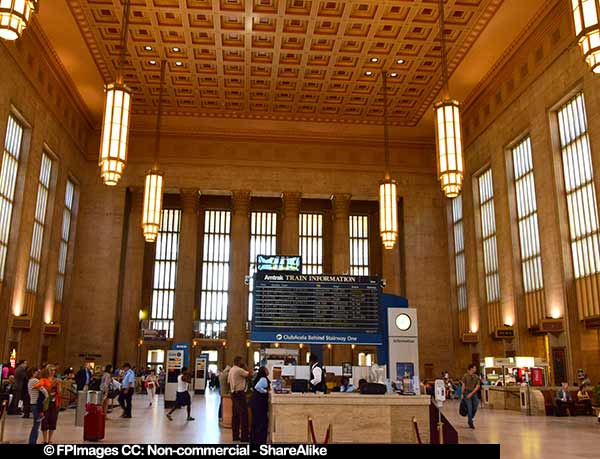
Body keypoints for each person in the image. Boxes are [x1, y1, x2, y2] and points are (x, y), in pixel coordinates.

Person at [228, 356, 252, 443]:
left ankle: (235, 436)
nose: (243, 363)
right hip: (240, 394)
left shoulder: (231, 370)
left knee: (235, 416)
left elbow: (228, 381)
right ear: (239, 362)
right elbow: (250, 374)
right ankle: (244, 437)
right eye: (242, 361)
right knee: (244, 415)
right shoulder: (239, 369)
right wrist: (245, 366)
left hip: (233, 394)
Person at [36, 365, 62, 444]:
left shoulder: (57, 380)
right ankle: (44, 439)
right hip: (45, 402)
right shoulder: (43, 380)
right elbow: (45, 391)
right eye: (51, 370)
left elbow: (59, 392)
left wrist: (59, 385)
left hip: (54, 402)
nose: (52, 372)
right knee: (45, 419)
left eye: (54, 370)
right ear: (47, 371)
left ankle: (50, 438)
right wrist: (52, 384)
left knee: (53, 419)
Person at [27, 367, 48, 444]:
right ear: (33, 372)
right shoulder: (34, 380)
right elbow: (42, 389)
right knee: (36, 425)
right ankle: (32, 441)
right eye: (36, 372)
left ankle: (33, 441)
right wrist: (47, 396)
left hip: (33, 404)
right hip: (36, 404)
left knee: (36, 424)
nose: (38, 373)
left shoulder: (30, 381)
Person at [250, 366, 270, 444]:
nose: (268, 371)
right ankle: (259, 440)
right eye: (267, 369)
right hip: (260, 403)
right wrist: (265, 391)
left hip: (255, 402)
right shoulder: (264, 379)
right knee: (261, 422)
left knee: (255, 421)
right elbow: (257, 387)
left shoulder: (259, 378)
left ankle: (254, 439)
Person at [461, 364, 480, 429]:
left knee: (476, 404)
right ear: (471, 369)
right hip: (466, 392)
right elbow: (463, 385)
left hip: (473, 392)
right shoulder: (465, 376)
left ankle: (471, 416)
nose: (475, 369)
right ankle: (470, 421)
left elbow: (477, 386)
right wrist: (462, 394)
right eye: (474, 368)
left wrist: (472, 393)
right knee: (469, 406)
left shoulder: (476, 377)